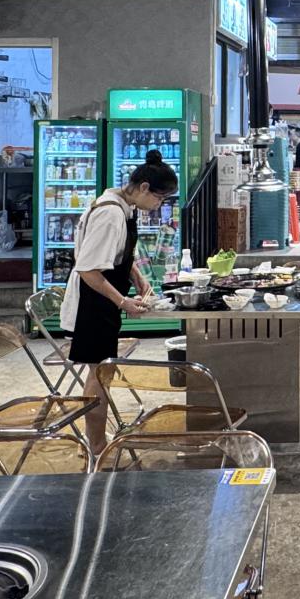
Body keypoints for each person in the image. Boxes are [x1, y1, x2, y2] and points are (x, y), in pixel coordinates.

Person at [63, 149, 178, 447]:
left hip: (103, 301)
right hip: (92, 303)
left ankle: (97, 440)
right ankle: (96, 445)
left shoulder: (124, 207)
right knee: (99, 374)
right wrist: (122, 302)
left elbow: (117, 254)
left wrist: (137, 277)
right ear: (143, 188)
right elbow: (89, 270)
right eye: (160, 198)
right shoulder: (110, 214)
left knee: (105, 371)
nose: (159, 205)